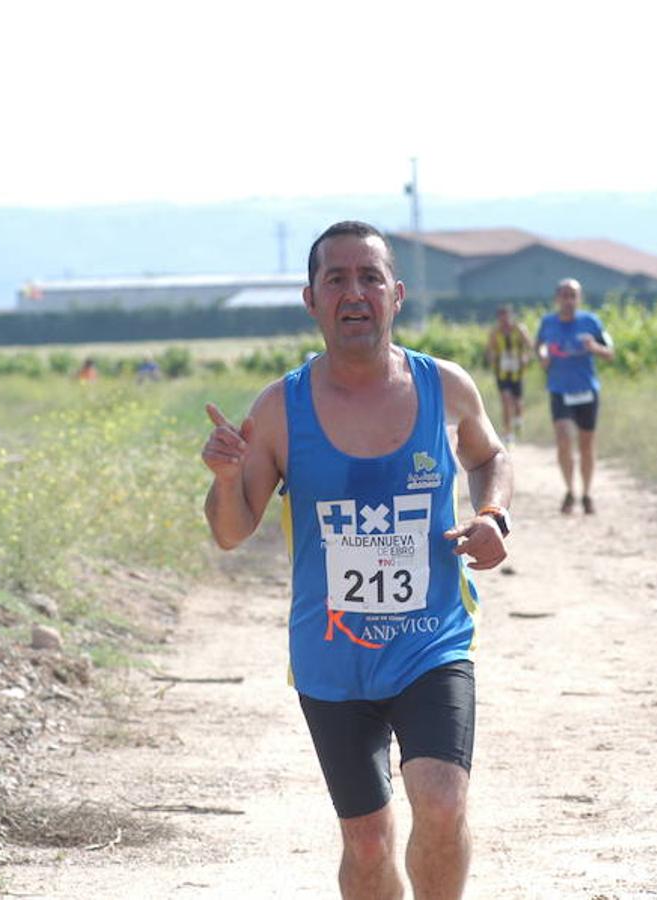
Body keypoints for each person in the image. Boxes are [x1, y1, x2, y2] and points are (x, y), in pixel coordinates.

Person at [201, 220, 513, 899]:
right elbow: (231, 532)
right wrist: (227, 480)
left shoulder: (445, 387)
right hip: (331, 656)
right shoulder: (280, 409)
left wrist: (492, 517)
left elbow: (489, 457)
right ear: (310, 299)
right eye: (335, 278)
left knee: (441, 803)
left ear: (395, 294)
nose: (354, 292)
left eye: (369, 277)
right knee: (367, 841)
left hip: (431, 643)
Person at [535, 278, 614, 515]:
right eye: (565, 295)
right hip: (560, 389)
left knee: (587, 444)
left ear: (579, 298)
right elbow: (539, 346)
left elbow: (610, 353)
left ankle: (587, 493)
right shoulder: (548, 323)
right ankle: (569, 490)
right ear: (557, 298)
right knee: (563, 438)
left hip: (586, 390)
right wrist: (543, 356)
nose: (569, 300)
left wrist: (594, 348)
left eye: (573, 295)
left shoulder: (591, 322)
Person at [483, 305, 531, 445]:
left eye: (507, 316)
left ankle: (518, 421)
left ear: (511, 316)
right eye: (502, 317)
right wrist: (492, 358)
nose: (505, 320)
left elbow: (530, 346)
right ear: (499, 318)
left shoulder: (519, 330)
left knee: (517, 402)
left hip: (517, 371)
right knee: (505, 400)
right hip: (502, 372)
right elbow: (489, 350)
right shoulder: (495, 332)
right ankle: (507, 433)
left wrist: (525, 357)